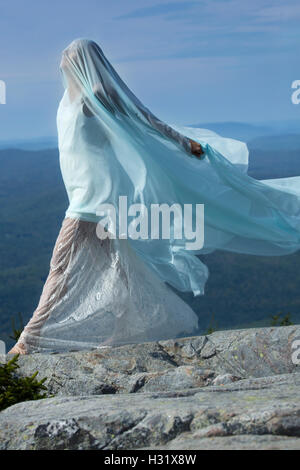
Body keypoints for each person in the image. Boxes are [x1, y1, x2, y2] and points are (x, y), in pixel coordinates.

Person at [9, 38, 300, 354]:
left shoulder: (97, 96)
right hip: (89, 197)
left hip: (92, 201)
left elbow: (143, 119)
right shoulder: (69, 98)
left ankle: (28, 341)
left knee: (61, 267)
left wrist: (182, 141)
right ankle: (130, 326)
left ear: (82, 59)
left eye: (69, 54)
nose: (62, 59)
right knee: (118, 268)